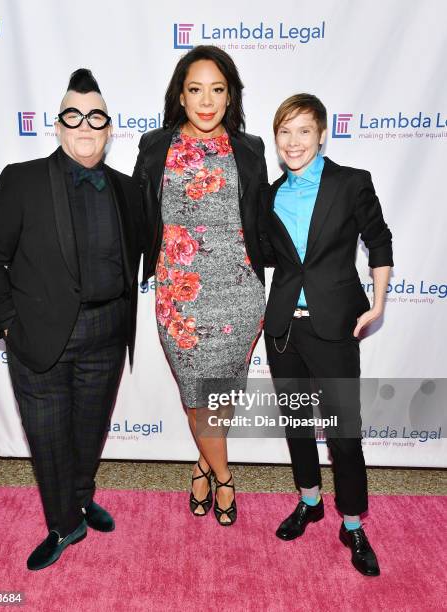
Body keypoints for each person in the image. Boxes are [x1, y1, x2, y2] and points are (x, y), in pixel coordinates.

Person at [0, 69, 142, 570]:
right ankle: (63, 523)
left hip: (107, 332)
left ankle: (81, 498)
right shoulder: (21, 179)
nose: (85, 125)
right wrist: (6, 322)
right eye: (74, 116)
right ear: (59, 125)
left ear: (109, 128)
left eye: (96, 116)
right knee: (48, 437)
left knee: (89, 430)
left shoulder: (127, 189)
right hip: (40, 336)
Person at [133, 46, 267, 525]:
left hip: (239, 291)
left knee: (222, 394)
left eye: (217, 89)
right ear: (181, 96)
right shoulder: (155, 146)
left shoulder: (250, 149)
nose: (206, 101)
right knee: (198, 396)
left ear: (230, 97)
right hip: (179, 292)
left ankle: (201, 465)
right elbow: (136, 217)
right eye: (195, 89)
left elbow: (262, 220)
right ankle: (225, 477)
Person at [262, 93, 393, 575]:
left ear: (321, 134)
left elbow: (378, 240)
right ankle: (310, 501)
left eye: (302, 130)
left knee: (343, 434)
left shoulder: (351, 183)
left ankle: (354, 524)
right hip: (283, 333)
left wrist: (377, 304)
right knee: (296, 424)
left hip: (334, 327)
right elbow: (263, 257)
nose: (293, 141)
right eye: (284, 131)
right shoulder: (269, 194)